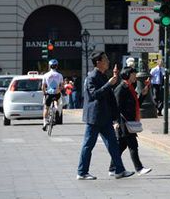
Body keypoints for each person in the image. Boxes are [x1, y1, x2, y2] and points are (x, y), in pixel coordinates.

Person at [77, 51, 134, 180]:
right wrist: (109, 84)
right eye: (106, 59)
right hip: (95, 117)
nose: (108, 62)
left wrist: (115, 117)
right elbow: (94, 95)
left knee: (113, 144)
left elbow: (110, 97)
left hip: (105, 117)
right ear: (98, 62)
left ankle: (119, 170)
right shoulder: (92, 77)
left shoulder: (103, 75)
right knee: (88, 145)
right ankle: (81, 172)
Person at [110, 67, 152, 176]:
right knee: (133, 144)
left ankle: (112, 168)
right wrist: (115, 121)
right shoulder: (121, 88)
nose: (136, 76)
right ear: (128, 75)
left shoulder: (130, 88)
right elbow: (115, 107)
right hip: (124, 122)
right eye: (134, 74)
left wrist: (143, 94)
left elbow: (136, 104)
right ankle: (139, 168)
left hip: (129, 121)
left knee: (121, 146)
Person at [41, 59, 64, 131]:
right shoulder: (60, 75)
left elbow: (43, 87)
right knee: (58, 101)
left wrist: (44, 93)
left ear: (49, 66)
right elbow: (61, 86)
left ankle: (45, 123)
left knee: (46, 108)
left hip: (49, 94)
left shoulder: (45, 75)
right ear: (57, 66)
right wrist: (58, 90)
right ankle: (56, 109)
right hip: (57, 93)